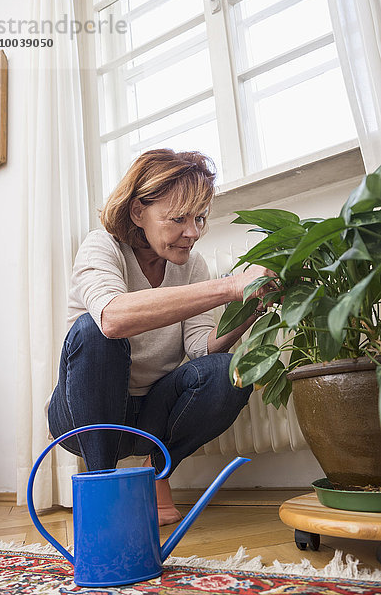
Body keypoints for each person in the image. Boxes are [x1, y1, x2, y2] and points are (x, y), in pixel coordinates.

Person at [47, 149, 276, 526]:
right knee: (94, 329)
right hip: (82, 414)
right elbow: (112, 319)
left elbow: (201, 348)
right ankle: (102, 489)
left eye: (199, 218)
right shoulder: (101, 246)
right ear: (139, 212)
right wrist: (230, 286)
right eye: (178, 219)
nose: (193, 232)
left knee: (226, 371)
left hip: (152, 414)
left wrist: (251, 302)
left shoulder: (193, 266)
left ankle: (154, 475)